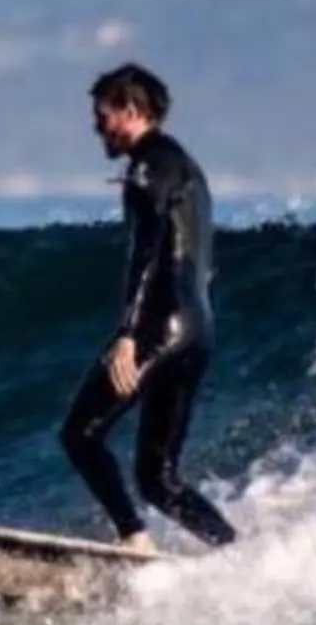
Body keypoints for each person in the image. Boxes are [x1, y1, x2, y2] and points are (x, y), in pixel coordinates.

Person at [60, 63, 238, 552]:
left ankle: (134, 539)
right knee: (158, 479)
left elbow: (148, 250)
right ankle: (234, 553)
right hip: (197, 329)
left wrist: (127, 335)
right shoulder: (183, 165)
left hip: (160, 326)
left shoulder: (147, 166)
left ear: (131, 111)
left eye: (103, 116)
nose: (97, 128)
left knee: (81, 434)